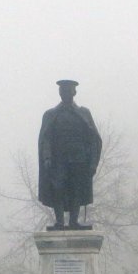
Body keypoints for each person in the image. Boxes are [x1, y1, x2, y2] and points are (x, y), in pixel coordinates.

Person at [38, 79, 102, 230]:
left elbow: (93, 138)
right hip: (58, 160)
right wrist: (47, 157)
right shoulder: (51, 114)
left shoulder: (83, 113)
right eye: (63, 90)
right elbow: (46, 138)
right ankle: (59, 221)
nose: (65, 93)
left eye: (68, 90)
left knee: (76, 190)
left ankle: (74, 221)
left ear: (74, 92)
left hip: (79, 160)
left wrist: (93, 163)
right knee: (58, 189)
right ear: (60, 93)